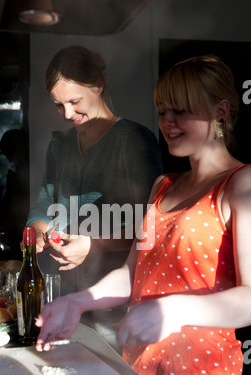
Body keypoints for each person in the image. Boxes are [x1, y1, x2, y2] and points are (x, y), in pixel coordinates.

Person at [35, 55, 251, 375]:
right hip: (138, 371)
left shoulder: (241, 183)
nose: (167, 122)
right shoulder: (163, 186)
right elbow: (132, 274)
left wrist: (171, 310)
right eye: (162, 111)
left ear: (220, 111)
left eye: (180, 111)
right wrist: (78, 301)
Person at [26, 45, 162, 296]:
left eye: (74, 101)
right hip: (63, 290)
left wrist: (93, 245)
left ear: (98, 86)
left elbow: (152, 224)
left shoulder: (133, 140)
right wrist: (38, 230)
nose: (67, 114)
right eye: (59, 105)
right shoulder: (60, 146)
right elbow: (45, 205)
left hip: (114, 295)